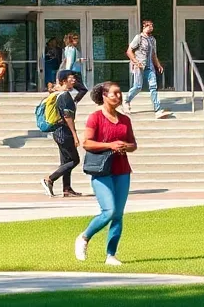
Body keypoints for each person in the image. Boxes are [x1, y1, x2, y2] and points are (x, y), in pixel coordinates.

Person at [75, 82, 137, 266]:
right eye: (114, 94)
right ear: (104, 95)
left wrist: (126, 146)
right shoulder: (95, 117)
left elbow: (133, 144)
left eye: (120, 93)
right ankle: (84, 237)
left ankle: (111, 255)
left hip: (122, 170)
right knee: (108, 211)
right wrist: (110, 145)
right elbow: (87, 143)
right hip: (102, 170)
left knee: (118, 214)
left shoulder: (125, 120)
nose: (118, 97)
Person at [43, 71, 85, 198]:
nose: (74, 81)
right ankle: (49, 179)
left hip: (59, 132)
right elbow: (67, 117)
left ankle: (67, 188)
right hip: (64, 132)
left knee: (65, 161)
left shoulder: (59, 94)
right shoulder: (64, 96)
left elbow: (83, 89)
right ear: (63, 81)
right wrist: (75, 134)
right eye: (71, 79)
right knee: (74, 160)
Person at [124, 20, 171, 119]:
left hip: (150, 67)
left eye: (152, 26)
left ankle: (158, 110)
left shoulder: (152, 39)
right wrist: (135, 61)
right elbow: (129, 51)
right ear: (144, 27)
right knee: (137, 87)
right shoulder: (139, 38)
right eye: (149, 26)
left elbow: (153, 54)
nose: (151, 27)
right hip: (139, 66)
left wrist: (158, 65)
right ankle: (126, 100)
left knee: (153, 87)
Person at [61, 32, 89, 103]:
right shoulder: (72, 49)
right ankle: (74, 102)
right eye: (74, 38)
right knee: (83, 90)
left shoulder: (67, 48)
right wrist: (69, 73)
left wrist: (79, 60)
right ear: (71, 39)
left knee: (70, 88)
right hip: (74, 72)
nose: (77, 40)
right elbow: (69, 61)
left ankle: (72, 102)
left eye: (77, 38)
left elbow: (71, 59)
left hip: (73, 71)